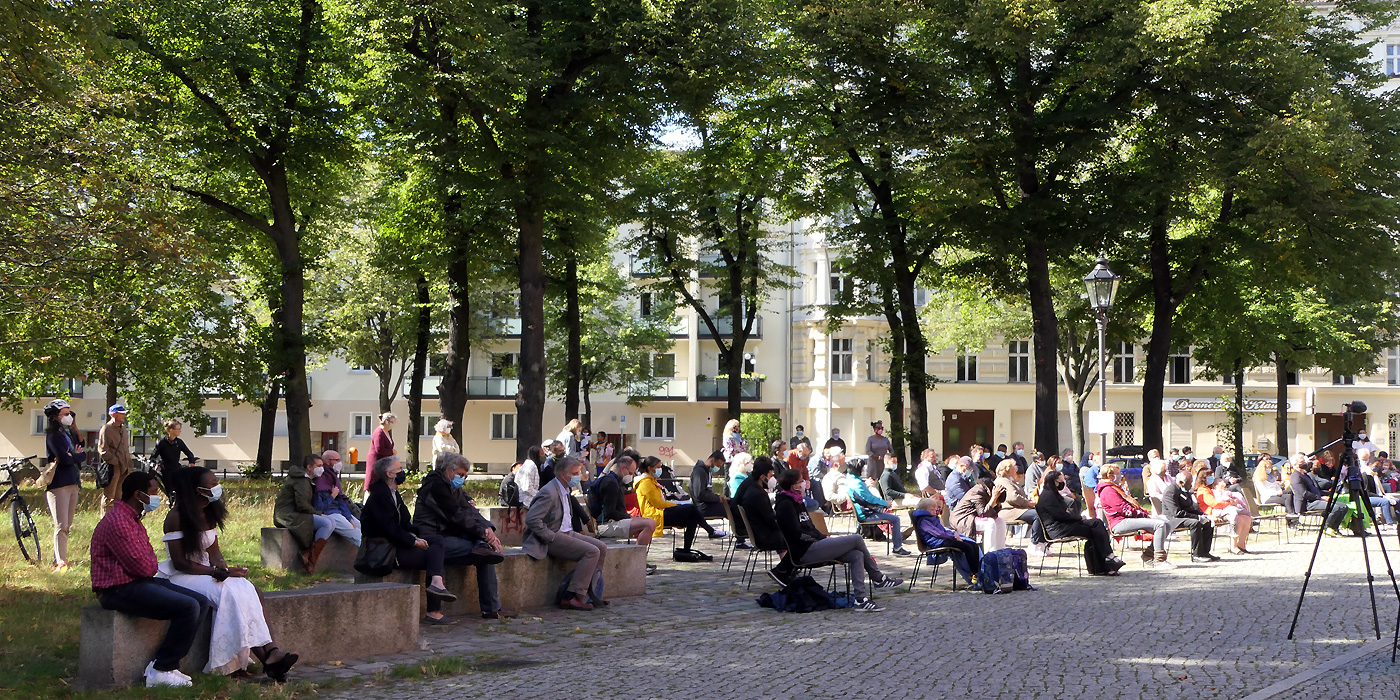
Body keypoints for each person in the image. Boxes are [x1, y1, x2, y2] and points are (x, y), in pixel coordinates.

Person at [161, 467, 299, 678]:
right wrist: (215, 572)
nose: (217, 488)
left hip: (207, 570)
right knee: (231, 594)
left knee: (248, 588)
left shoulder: (209, 512)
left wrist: (226, 569)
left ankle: (271, 652)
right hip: (183, 575)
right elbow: (180, 563)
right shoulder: (176, 517)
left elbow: (214, 552)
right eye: (212, 484)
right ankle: (261, 658)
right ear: (196, 490)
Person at [91, 471, 210, 688]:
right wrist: (149, 565)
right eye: (154, 492)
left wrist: (149, 564)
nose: (158, 497)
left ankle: (169, 665)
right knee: (187, 607)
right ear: (138, 494)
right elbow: (142, 565)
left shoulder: (132, 519)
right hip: (117, 589)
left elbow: (148, 559)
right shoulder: (119, 521)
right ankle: (161, 669)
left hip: (137, 582)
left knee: (200, 601)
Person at [770, 469, 902, 611]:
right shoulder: (785, 505)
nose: (805, 483)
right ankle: (878, 578)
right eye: (801, 481)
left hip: (814, 545)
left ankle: (861, 599)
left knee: (857, 555)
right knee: (857, 539)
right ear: (794, 486)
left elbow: (811, 528)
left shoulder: (798, 501)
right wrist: (819, 539)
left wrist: (823, 538)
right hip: (804, 551)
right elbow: (797, 534)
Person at [412, 453, 518, 619]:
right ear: (448, 470)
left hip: (448, 536)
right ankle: (490, 607)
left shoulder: (452, 487)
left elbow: (468, 511)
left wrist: (487, 529)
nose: (463, 479)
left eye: (465, 475)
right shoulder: (436, 486)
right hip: (432, 540)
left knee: (486, 553)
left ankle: (491, 608)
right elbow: (456, 515)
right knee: (484, 551)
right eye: (461, 474)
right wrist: (483, 534)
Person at [362, 456, 460, 624]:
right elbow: (388, 528)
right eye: (399, 469)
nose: (403, 472)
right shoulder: (379, 496)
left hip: (398, 544)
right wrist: (413, 542)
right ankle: (434, 610)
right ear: (389, 474)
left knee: (436, 542)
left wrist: (415, 536)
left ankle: (436, 584)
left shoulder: (393, 493)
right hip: (385, 552)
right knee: (434, 557)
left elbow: (406, 522)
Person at [523, 456, 608, 610]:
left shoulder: (565, 489)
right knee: (592, 551)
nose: (578, 476)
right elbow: (532, 519)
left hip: (567, 532)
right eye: (575, 473)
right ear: (563, 474)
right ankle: (572, 596)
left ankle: (590, 594)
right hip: (552, 536)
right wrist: (550, 536)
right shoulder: (549, 492)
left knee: (601, 547)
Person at [1035, 469, 1123, 575]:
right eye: (1061, 481)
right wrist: (1079, 518)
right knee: (1096, 526)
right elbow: (1061, 515)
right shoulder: (1048, 496)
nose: (1063, 484)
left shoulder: (1051, 493)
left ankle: (1105, 565)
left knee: (1096, 526)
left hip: (1063, 525)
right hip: (1058, 529)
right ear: (1054, 482)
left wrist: (1076, 517)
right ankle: (1107, 560)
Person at [635, 456, 726, 551]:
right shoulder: (645, 483)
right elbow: (658, 504)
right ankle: (711, 531)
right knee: (691, 508)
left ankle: (686, 550)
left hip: (661, 511)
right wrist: (676, 505)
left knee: (692, 520)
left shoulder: (652, 481)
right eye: (658, 467)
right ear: (650, 468)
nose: (660, 469)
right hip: (655, 515)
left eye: (660, 467)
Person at [1095, 464, 1174, 569]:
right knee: (1159, 525)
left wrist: (1144, 514)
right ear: (1110, 476)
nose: (1121, 476)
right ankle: (1159, 560)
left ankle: (1148, 555)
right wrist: (1144, 515)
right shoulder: (1107, 490)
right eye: (1118, 474)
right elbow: (1124, 510)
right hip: (1119, 522)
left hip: (1128, 519)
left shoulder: (1115, 488)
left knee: (1166, 525)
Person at [272, 454, 335, 573]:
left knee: (331, 522)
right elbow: (302, 505)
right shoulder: (302, 480)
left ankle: (310, 556)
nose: (321, 468)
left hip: (294, 513)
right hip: (287, 515)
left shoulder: (306, 479)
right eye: (319, 465)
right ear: (309, 467)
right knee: (326, 523)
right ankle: (310, 557)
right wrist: (318, 513)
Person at [588, 456, 658, 557]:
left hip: (610, 522)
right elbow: (610, 512)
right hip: (605, 525)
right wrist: (629, 517)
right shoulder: (610, 483)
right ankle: (638, 559)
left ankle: (638, 559)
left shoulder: (613, 480)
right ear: (623, 468)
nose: (631, 476)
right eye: (630, 473)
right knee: (649, 524)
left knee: (647, 521)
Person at [43, 399, 84, 572]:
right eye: (66, 414)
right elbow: (64, 458)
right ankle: (60, 560)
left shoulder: (69, 433)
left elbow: (81, 453)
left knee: (68, 524)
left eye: (70, 414)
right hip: (59, 484)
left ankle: (63, 557)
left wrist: (73, 455)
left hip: (73, 482)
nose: (69, 417)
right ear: (55, 416)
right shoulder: (53, 436)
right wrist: (74, 456)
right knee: (61, 525)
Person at [909, 497, 981, 587]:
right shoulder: (923, 521)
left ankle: (977, 571)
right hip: (936, 542)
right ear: (924, 510)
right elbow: (937, 533)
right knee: (967, 547)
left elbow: (942, 530)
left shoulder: (932, 518)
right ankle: (974, 574)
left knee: (973, 544)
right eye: (932, 509)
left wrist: (953, 533)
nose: (935, 511)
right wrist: (952, 536)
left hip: (942, 539)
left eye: (936, 509)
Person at [734, 457, 784, 581]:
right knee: (789, 535)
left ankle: (786, 565)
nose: (772, 478)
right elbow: (769, 519)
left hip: (756, 530)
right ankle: (786, 567)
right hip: (761, 535)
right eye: (770, 475)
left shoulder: (753, 488)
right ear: (763, 477)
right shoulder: (758, 494)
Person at [847, 460, 910, 555]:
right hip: (866, 514)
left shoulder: (850, 480)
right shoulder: (857, 484)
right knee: (895, 519)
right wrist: (885, 503)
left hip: (864, 511)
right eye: (863, 467)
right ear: (858, 469)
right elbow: (869, 499)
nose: (865, 469)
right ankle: (897, 548)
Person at [1161, 468, 1218, 563]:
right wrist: (1197, 517)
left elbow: (1189, 508)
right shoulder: (1171, 491)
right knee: (1195, 523)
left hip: (1183, 516)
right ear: (1181, 482)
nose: (1191, 485)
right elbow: (1176, 512)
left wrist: (1204, 515)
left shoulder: (1185, 490)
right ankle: (1197, 554)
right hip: (1172, 519)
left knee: (1208, 522)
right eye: (1189, 483)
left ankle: (1205, 552)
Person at [1193, 463, 1253, 554]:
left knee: (1246, 518)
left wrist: (1233, 501)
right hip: (1211, 513)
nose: (1212, 478)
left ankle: (1241, 544)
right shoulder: (1203, 490)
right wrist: (1229, 503)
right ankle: (1233, 547)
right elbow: (1214, 503)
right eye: (1209, 476)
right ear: (1204, 478)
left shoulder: (1211, 488)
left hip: (1222, 509)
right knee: (1239, 520)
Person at [312, 450, 362, 545]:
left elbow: (340, 500)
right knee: (356, 534)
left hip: (339, 511)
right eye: (337, 460)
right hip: (329, 513)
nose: (340, 463)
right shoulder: (321, 480)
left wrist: (349, 518)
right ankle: (372, 558)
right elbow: (320, 507)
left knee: (362, 528)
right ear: (327, 461)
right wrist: (332, 496)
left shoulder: (332, 477)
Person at [1290, 457, 1348, 536]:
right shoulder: (1296, 476)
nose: (1305, 463)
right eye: (1302, 462)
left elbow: (1315, 488)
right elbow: (1304, 493)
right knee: (1335, 508)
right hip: (1308, 503)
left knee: (1343, 506)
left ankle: (1334, 528)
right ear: (1295, 464)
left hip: (1316, 499)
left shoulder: (1306, 475)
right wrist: (1320, 498)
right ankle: (1326, 527)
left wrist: (1326, 494)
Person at [950, 476, 1006, 553]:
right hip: (963, 518)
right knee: (990, 523)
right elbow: (983, 513)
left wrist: (997, 504)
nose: (996, 504)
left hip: (973, 517)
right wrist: (994, 498)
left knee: (1000, 521)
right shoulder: (978, 491)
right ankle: (989, 554)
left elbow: (991, 514)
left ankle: (1000, 552)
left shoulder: (986, 493)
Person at [98, 403, 133, 513]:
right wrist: (115, 462)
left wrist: (128, 463)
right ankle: (105, 519)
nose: (124, 416)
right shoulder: (106, 429)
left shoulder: (123, 429)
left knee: (120, 496)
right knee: (109, 496)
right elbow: (103, 450)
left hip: (125, 467)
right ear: (113, 414)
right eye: (121, 413)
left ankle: (116, 518)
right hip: (114, 468)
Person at [152, 419, 199, 490]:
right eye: (178, 429)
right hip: (166, 470)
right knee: (170, 489)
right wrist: (156, 464)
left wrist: (191, 462)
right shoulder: (162, 443)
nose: (180, 431)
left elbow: (189, 453)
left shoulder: (179, 442)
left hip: (176, 468)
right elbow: (153, 456)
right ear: (171, 430)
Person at [689, 450, 728, 519]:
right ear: (712, 460)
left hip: (705, 504)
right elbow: (700, 494)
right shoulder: (700, 472)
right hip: (702, 507)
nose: (718, 468)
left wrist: (718, 497)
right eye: (718, 465)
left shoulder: (705, 471)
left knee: (731, 503)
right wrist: (718, 499)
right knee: (730, 509)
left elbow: (706, 492)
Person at [364, 412, 396, 490]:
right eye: (392, 422)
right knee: (374, 485)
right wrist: (391, 452)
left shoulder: (387, 432)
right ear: (386, 422)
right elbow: (379, 449)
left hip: (383, 464)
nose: (393, 424)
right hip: (376, 463)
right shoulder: (379, 432)